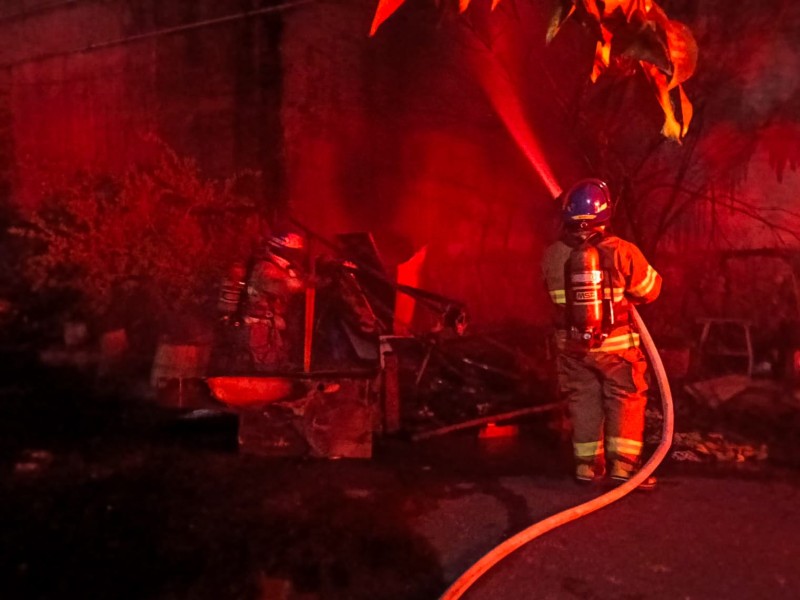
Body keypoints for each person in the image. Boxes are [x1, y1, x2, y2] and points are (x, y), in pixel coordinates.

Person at [541, 178, 662, 489]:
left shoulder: (552, 255)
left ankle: (586, 467)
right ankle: (624, 469)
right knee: (625, 398)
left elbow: (551, 296)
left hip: (571, 347)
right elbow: (650, 290)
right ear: (605, 213)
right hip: (616, 347)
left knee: (583, 400)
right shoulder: (622, 250)